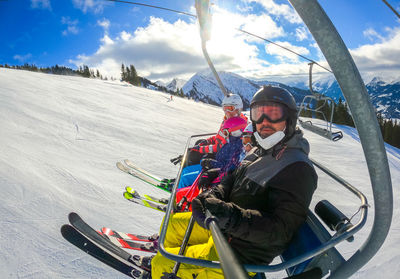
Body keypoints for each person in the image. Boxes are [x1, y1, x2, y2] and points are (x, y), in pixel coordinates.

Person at [148, 85, 318, 279]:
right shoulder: (260, 150)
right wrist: (214, 194)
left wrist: (230, 216)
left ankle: (165, 269)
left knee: (162, 263)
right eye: (258, 114)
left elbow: (278, 231)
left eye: (273, 114)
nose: (264, 122)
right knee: (171, 224)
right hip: (224, 228)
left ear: (289, 118)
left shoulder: (297, 168)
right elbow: (233, 178)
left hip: (239, 253)